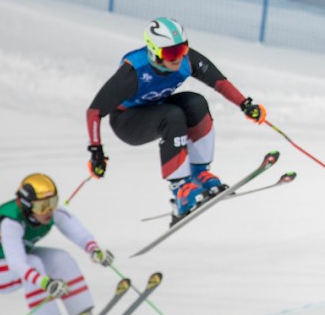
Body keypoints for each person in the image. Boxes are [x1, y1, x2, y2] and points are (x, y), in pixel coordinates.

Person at [86, 17, 268, 221]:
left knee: (196, 103)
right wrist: (96, 152)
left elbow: (219, 82)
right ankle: (180, 189)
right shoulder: (134, 71)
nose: (178, 58)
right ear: (154, 52)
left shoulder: (187, 60)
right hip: (127, 122)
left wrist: (245, 104)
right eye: (170, 53)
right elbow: (94, 112)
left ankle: (199, 174)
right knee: (172, 116)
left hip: (155, 108)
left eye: (181, 49)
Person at [0, 173, 116, 315]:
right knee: (33, 263)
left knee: (62, 258)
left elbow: (76, 231)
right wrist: (46, 283)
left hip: (22, 260)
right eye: (41, 206)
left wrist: (95, 250)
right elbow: (17, 264)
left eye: (52, 202)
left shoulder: (49, 212)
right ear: (27, 206)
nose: (48, 211)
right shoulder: (10, 221)